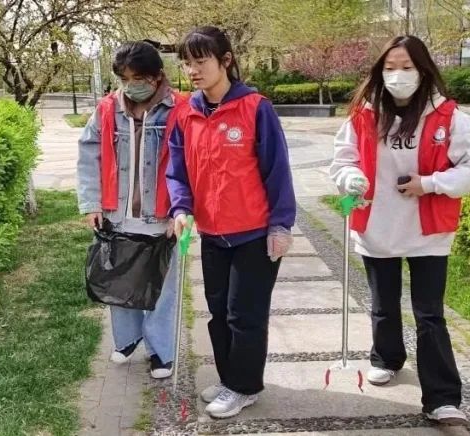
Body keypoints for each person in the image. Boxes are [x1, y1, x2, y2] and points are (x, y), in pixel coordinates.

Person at [329, 35, 470, 426]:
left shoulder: (449, 117)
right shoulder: (364, 115)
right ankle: (386, 357)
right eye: (390, 68)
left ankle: (442, 398)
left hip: (428, 231)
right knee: (383, 303)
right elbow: (342, 160)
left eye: (406, 67)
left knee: (429, 314)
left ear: (423, 70)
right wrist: (350, 178)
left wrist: (431, 183)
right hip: (377, 225)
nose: (397, 75)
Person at [167, 26, 297, 419]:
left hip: (253, 233)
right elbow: (177, 170)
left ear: (226, 60)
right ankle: (231, 380)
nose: (192, 70)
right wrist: (181, 209)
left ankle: (244, 387)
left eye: (200, 60)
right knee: (219, 312)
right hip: (213, 233)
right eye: (186, 63)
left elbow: (277, 170)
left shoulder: (255, 107)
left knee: (245, 315)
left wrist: (281, 224)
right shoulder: (185, 113)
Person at [77, 40, 186, 380]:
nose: (130, 85)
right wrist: (91, 202)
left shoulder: (181, 110)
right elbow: (89, 155)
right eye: (124, 78)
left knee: (162, 288)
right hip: (118, 214)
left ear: (157, 76)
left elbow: (192, 164)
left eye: (137, 78)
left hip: (163, 216)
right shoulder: (107, 109)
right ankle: (127, 339)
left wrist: (182, 209)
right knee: (120, 281)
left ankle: (161, 351)